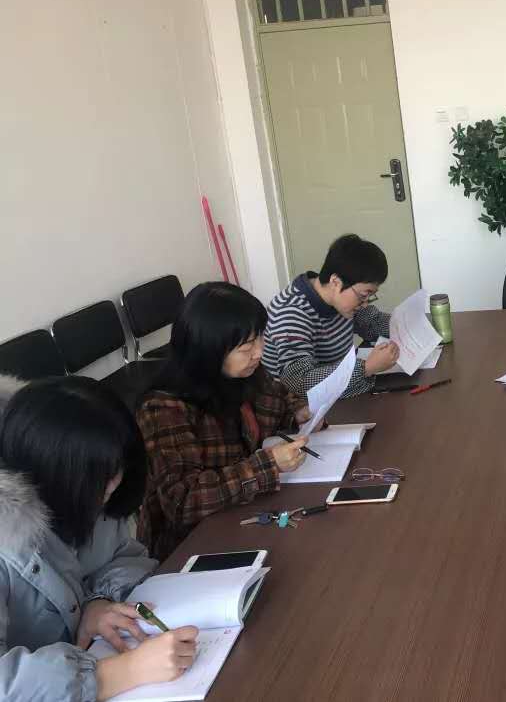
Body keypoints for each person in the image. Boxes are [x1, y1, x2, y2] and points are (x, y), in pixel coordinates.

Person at [0, 375, 199, 700]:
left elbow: (125, 555)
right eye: (102, 475)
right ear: (54, 470)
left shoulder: (91, 496)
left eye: (118, 467)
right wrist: (118, 673)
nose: (116, 482)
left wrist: (99, 601)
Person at [137, 282, 313, 561]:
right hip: (195, 546)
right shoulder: (164, 408)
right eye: (247, 346)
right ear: (209, 349)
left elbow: (279, 397)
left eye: (260, 338)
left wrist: (298, 412)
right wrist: (267, 465)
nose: (259, 352)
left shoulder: (243, 373)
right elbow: (182, 500)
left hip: (249, 515)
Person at [263, 234, 399, 398]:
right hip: (299, 405)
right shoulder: (291, 313)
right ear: (335, 282)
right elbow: (300, 382)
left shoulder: (336, 298)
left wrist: (405, 325)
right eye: (364, 295)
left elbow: (372, 322)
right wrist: (366, 367)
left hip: (338, 393)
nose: (365, 304)